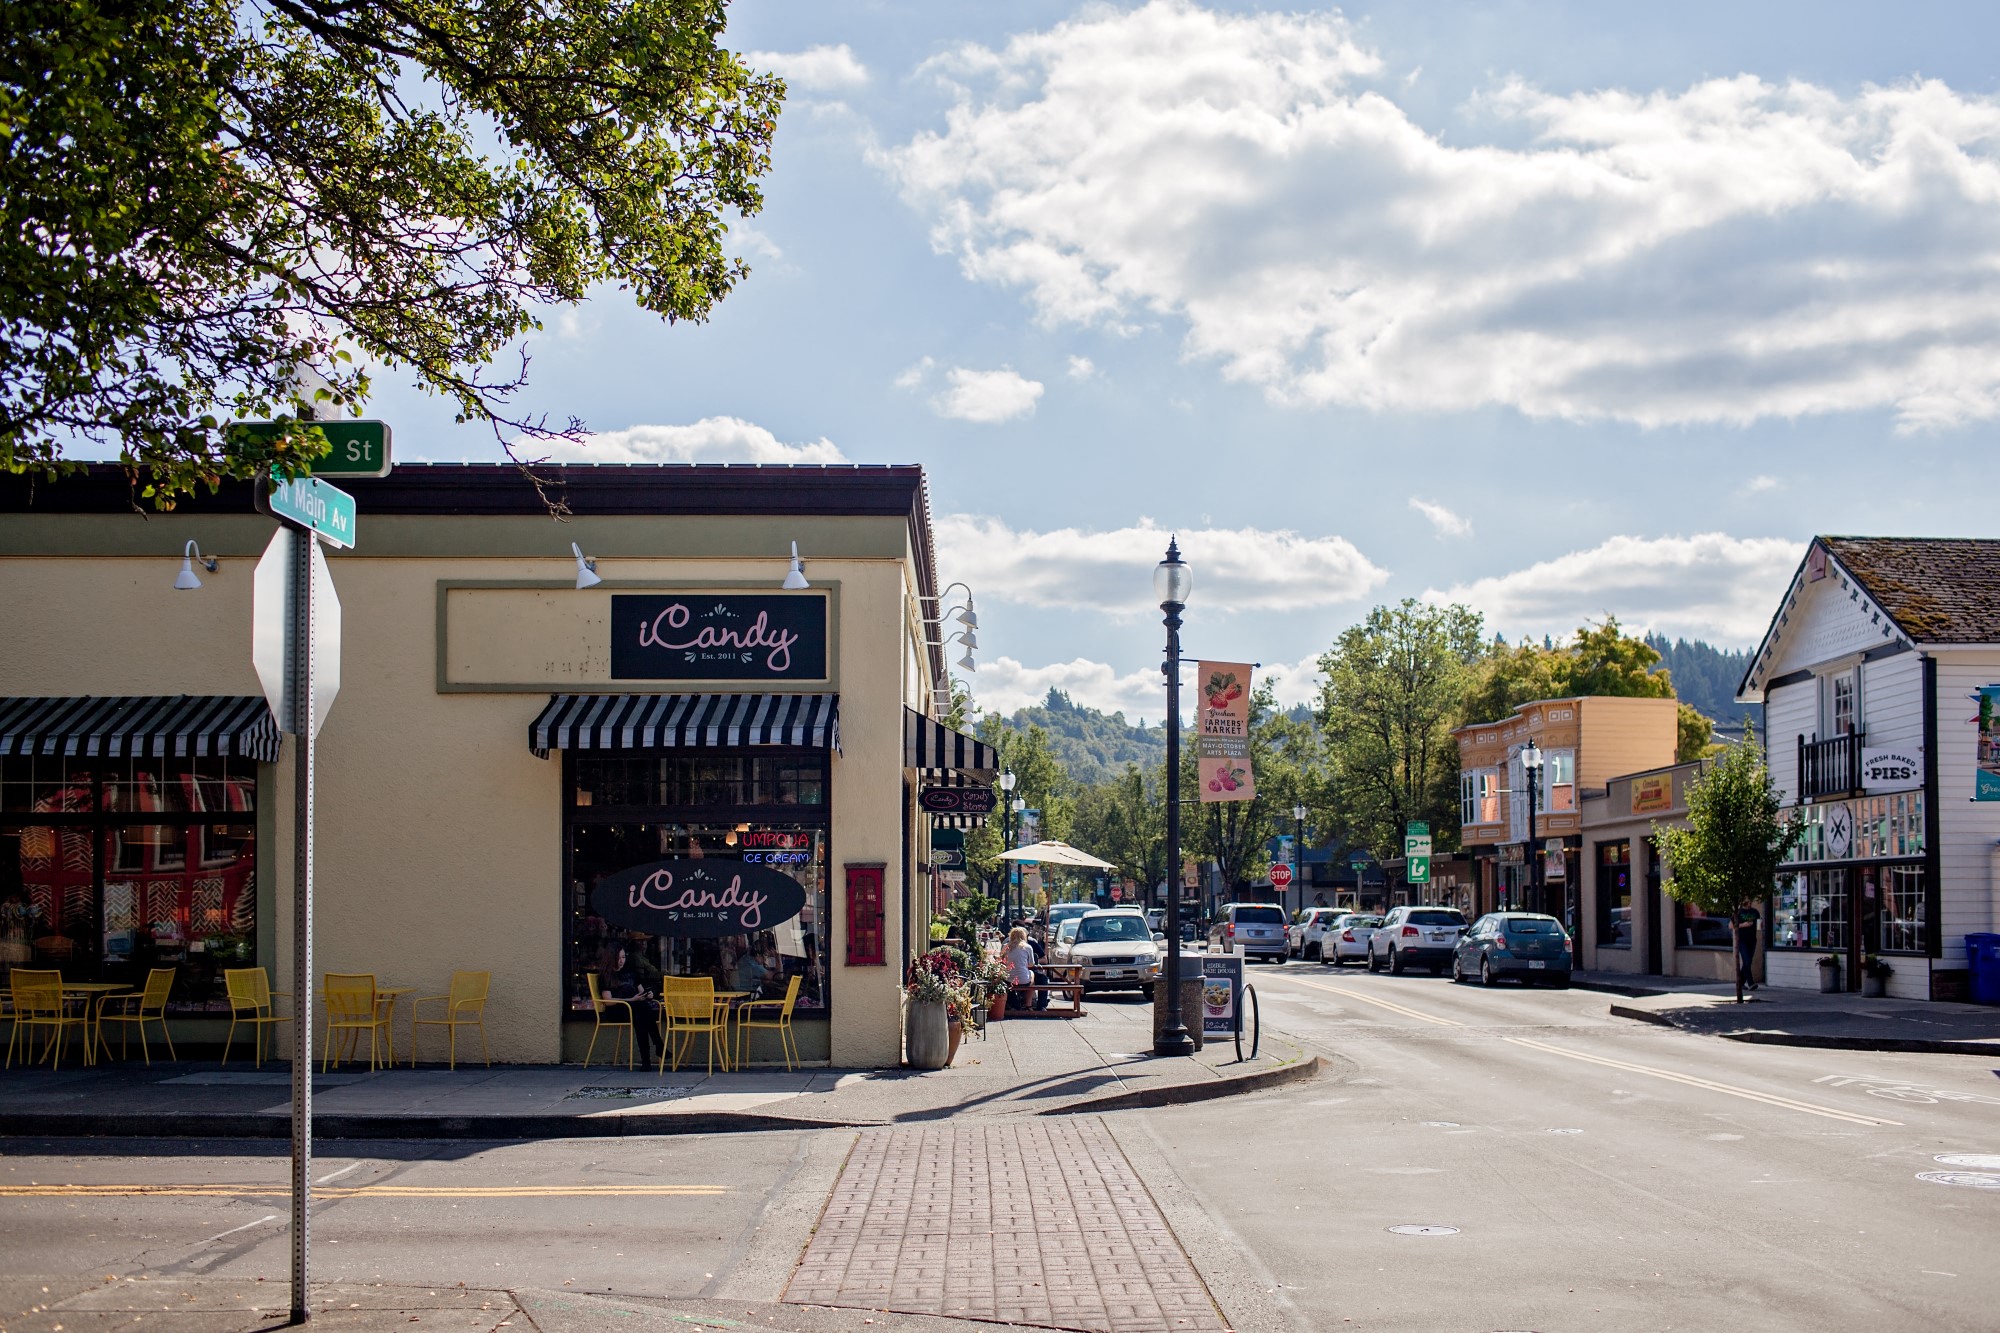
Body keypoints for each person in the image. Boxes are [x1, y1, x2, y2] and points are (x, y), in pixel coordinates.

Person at [598, 944, 661, 1065]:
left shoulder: (629, 972)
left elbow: (641, 992)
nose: (622, 961)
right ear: (611, 958)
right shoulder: (606, 976)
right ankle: (658, 1045)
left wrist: (648, 995)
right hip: (617, 1010)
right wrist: (632, 1000)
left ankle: (647, 1060)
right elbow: (608, 1002)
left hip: (634, 1008)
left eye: (623, 957)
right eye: (618, 958)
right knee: (641, 1011)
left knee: (640, 1013)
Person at [1004, 925, 1037, 1012]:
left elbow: (1002, 962)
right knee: (1032, 974)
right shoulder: (1027, 947)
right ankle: (1028, 1005)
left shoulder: (1005, 946)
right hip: (1024, 980)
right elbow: (1031, 964)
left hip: (1009, 979)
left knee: (1007, 979)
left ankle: (1013, 1004)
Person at [1734, 903, 1761, 992]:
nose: (1748, 901)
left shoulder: (1755, 912)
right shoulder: (1738, 912)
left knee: (1747, 962)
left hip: (1752, 940)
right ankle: (1750, 983)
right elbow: (1731, 925)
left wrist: (1760, 925)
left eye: (1750, 899)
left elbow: (1758, 926)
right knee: (1747, 961)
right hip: (1742, 940)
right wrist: (1743, 925)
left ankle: (1740, 982)